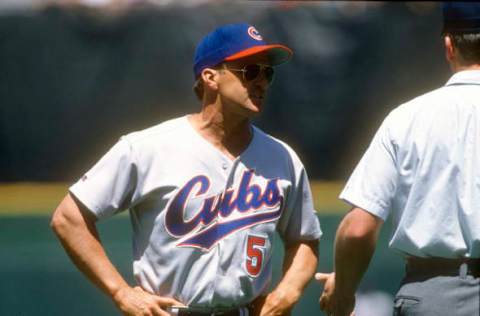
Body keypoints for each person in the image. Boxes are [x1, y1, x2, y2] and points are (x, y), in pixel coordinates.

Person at [51, 23, 321, 316]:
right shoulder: (148, 147)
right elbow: (68, 218)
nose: (261, 82)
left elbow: (304, 238)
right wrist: (121, 292)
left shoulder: (283, 158)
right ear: (210, 77)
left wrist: (286, 294)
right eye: (250, 71)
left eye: (268, 73)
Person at [316, 3, 480, 316]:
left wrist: (344, 292)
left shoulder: (407, 118)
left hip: (435, 293)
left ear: (448, 45)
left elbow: (358, 229)